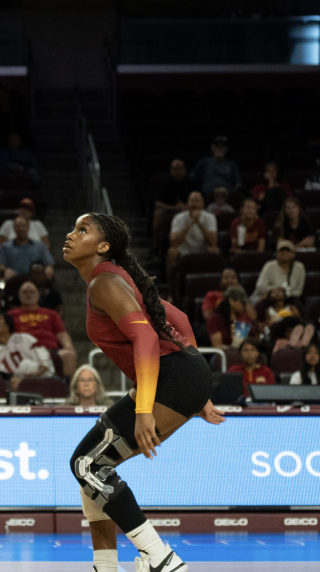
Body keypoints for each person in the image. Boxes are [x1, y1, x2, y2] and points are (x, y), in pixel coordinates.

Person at [61, 212, 223, 572]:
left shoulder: (104, 284)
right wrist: (200, 384)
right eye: (73, 228)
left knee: (88, 466)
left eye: (82, 230)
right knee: (91, 472)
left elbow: (148, 337)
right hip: (183, 376)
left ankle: (160, 559)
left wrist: (144, 409)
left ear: (103, 247)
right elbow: (177, 319)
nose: (71, 235)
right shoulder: (115, 280)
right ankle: (106, 567)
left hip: (173, 380)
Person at [8, 282, 76, 376]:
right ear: (19, 296)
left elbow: (62, 333)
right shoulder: (11, 315)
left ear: (38, 295)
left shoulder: (51, 314)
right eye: (25, 292)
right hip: (24, 350)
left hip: (50, 350)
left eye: (32, 292)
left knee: (69, 354)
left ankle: (68, 389)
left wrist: (68, 346)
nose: (28, 294)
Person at [0, 312, 54, 389]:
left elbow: (46, 362)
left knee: (25, 364)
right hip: (14, 384)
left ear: (7, 326)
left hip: (40, 379)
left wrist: (30, 378)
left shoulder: (25, 338)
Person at [166, 191, 218, 282]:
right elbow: (173, 242)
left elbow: (213, 242)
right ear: (187, 203)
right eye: (192, 201)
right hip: (184, 252)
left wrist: (200, 224)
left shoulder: (210, 217)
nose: (194, 204)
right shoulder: (179, 218)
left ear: (202, 204)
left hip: (203, 250)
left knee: (215, 250)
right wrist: (190, 223)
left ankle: (213, 284)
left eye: (197, 201)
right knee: (172, 252)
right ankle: (172, 292)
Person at [252, 239, 306, 304]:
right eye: (281, 250)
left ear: (293, 254)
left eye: (287, 250)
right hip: (267, 298)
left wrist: (283, 294)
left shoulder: (299, 267)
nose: (284, 252)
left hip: (289, 300)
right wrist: (278, 292)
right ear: (276, 253)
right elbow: (260, 287)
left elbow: (298, 291)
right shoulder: (269, 266)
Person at [152, 159, 192, 235]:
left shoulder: (191, 183)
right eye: (175, 169)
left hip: (187, 210)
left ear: (185, 170)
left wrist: (186, 207)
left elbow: (199, 202)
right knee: (157, 213)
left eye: (180, 169)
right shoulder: (164, 183)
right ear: (171, 170)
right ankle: (156, 244)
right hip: (169, 210)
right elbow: (157, 203)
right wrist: (173, 208)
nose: (178, 172)